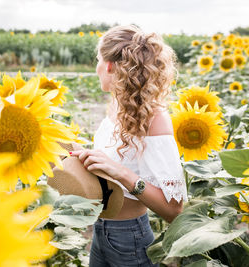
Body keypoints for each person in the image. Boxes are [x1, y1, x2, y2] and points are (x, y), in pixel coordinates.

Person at [70, 25, 188, 267]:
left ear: (110, 65)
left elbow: (174, 210)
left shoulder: (154, 119)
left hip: (129, 238)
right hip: (100, 232)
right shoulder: (116, 106)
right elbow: (112, 164)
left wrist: (121, 173)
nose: (96, 68)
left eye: (97, 60)